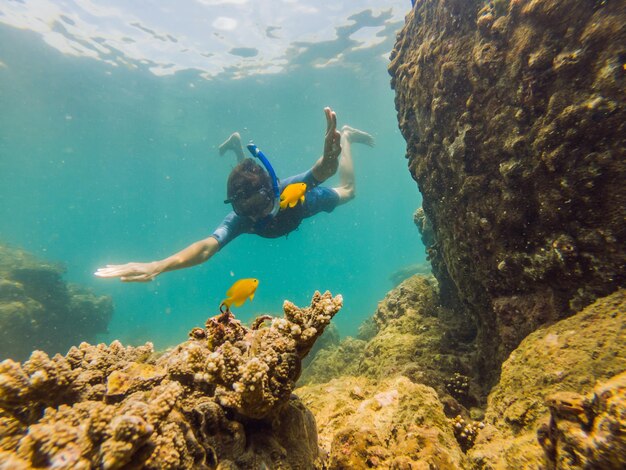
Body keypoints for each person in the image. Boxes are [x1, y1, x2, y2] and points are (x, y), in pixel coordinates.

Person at [94, 107, 374, 282]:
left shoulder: (288, 190)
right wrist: (158, 265)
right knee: (247, 179)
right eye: (245, 209)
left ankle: (347, 136)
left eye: (261, 204)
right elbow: (206, 248)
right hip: (274, 198)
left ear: (272, 191)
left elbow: (321, 171)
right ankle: (238, 143)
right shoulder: (242, 219)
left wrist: (329, 157)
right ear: (235, 207)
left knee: (349, 191)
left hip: (302, 206)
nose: (256, 216)